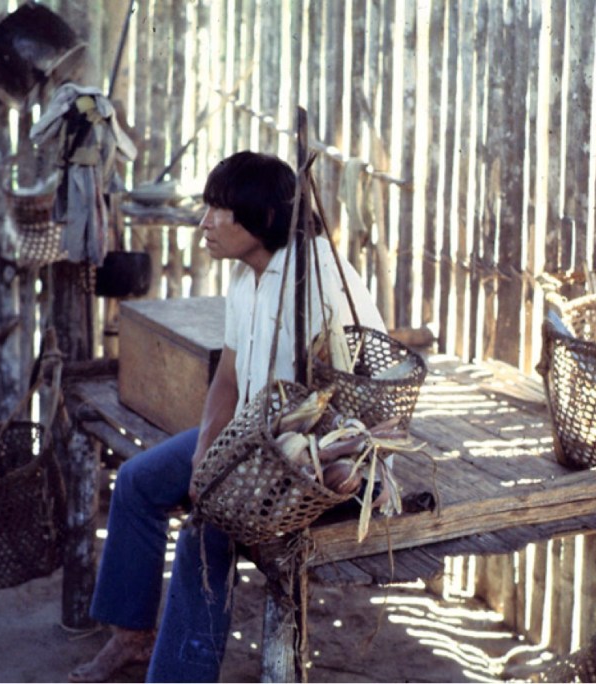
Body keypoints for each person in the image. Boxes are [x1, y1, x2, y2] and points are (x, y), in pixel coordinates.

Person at [68, 151, 386, 683]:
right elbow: (229, 380)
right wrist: (202, 458)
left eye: (219, 210)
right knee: (139, 482)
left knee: (207, 529)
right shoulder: (246, 276)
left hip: (314, 462)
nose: (205, 224)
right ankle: (133, 640)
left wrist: (237, 482)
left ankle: (178, 677)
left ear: (263, 217)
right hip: (252, 440)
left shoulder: (319, 281)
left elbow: (359, 406)